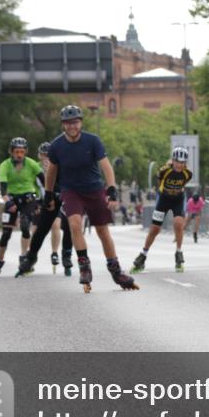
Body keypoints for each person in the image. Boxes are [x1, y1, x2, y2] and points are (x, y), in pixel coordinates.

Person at [44, 105, 138, 292]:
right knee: (75, 225)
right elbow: (51, 171)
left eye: (75, 122)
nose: (72, 126)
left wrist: (111, 191)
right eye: (68, 123)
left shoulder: (93, 141)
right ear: (63, 125)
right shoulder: (56, 146)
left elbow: (107, 167)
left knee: (103, 231)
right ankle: (84, 267)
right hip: (70, 191)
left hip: (94, 189)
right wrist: (48, 194)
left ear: (81, 122)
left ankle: (116, 271)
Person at [15, 142, 74, 278]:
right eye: (43, 155)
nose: (46, 158)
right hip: (39, 201)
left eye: (48, 155)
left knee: (56, 225)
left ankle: (55, 253)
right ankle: (28, 259)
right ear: (39, 156)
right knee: (35, 231)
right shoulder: (33, 167)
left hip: (55, 201)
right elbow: (28, 185)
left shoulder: (59, 165)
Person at [0, 138, 42, 277]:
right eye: (16, 152)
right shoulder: (5, 165)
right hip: (11, 198)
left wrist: (45, 198)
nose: (19, 155)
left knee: (24, 225)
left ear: (26, 152)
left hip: (28, 198)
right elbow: (3, 188)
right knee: (6, 233)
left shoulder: (31, 163)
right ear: (11, 152)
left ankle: (24, 258)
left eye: (22, 152)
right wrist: (8, 202)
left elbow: (44, 179)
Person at [131, 147, 193, 273]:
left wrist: (174, 191)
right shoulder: (164, 171)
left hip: (178, 200)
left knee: (178, 224)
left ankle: (179, 253)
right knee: (155, 229)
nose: (180, 165)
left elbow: (183, 184)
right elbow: (160, 183)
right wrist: (166, 192)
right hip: (164, 199)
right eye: (177, 162)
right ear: (173, 161)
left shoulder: (188, 174)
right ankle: (143, 255)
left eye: (182, 162)